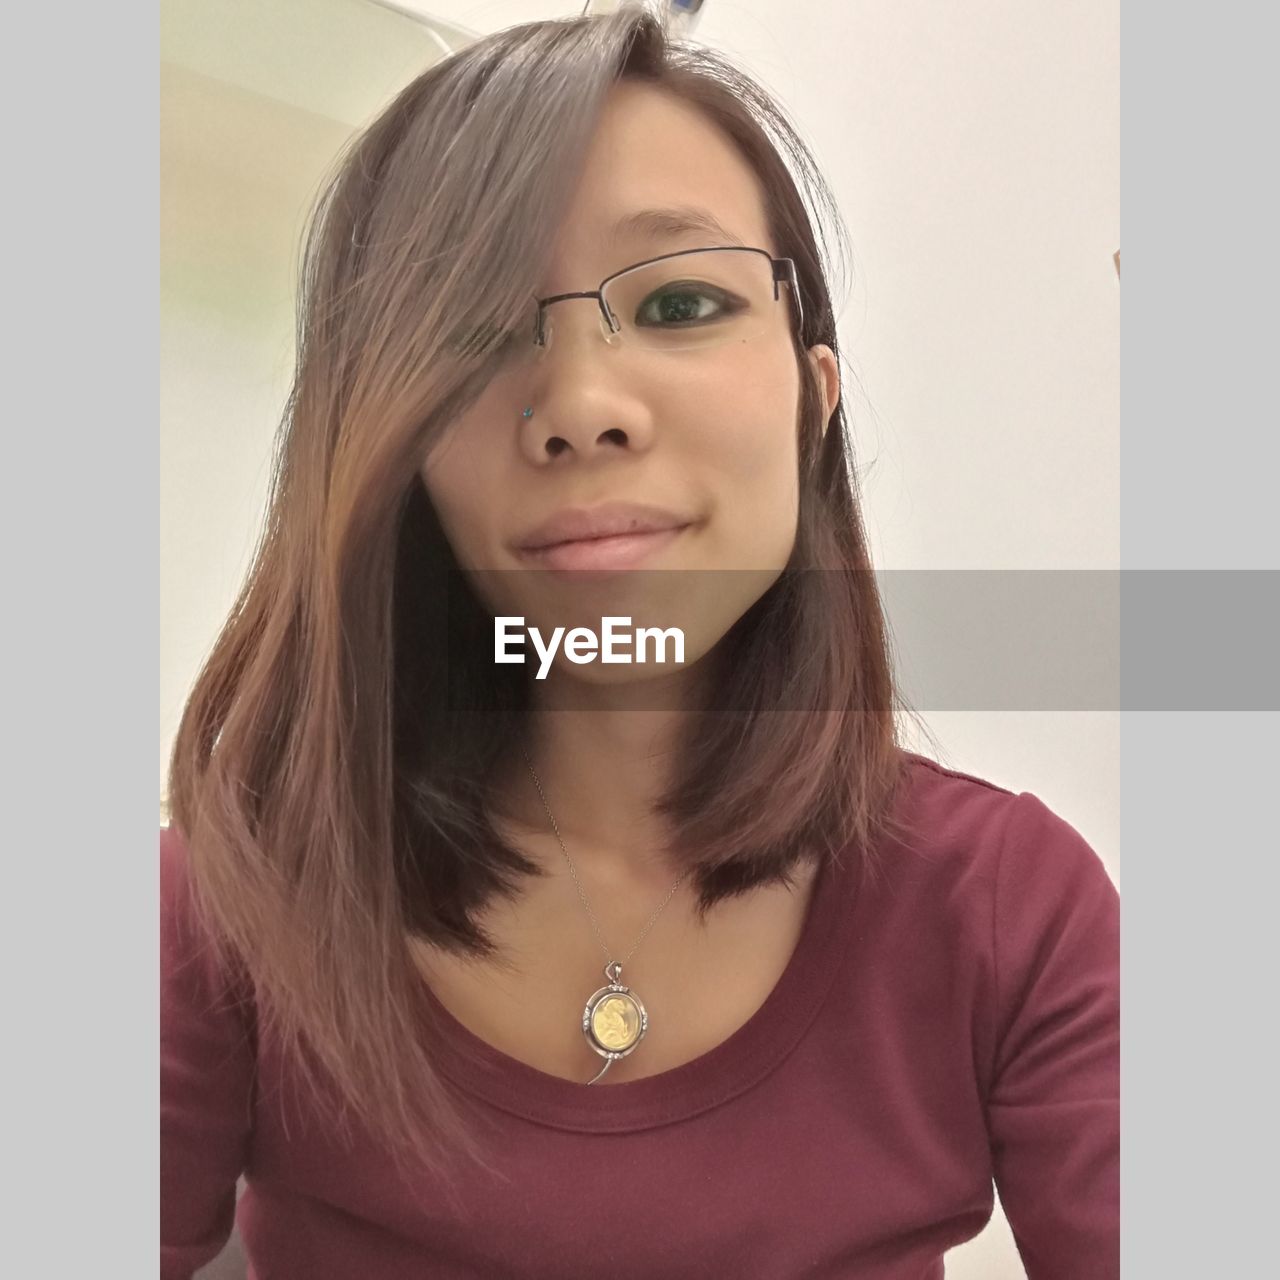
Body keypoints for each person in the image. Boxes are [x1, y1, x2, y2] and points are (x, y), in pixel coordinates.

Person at [161, 7, 1119, 1278]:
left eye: (678, 299)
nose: (578, 407)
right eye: (471, 327)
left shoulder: (1010, 909)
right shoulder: (226, 906)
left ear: (812, 397)